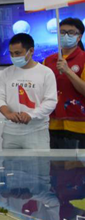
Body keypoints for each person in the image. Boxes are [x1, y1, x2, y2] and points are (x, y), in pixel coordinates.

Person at [0, 33, 57, 149]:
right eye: (11, 53)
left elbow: (51, 101)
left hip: (36, 131)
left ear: (31, 51)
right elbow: (0, 97)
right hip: (10, 132)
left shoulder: (46, 72)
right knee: (9, 161)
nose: (14, 57)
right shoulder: (7, 72)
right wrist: (8, 113)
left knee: (37, 161)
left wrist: (31, 115)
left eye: (18, 53)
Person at [43, 17, 85, 149]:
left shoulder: (83, 58)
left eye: (71, 32)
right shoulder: (48, 61)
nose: (66, 36)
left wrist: (67, 71)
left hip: (78, 124)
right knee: (55, 162)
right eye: (62, 32)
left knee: (75, 162)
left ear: (79, 37)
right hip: (52, 123)